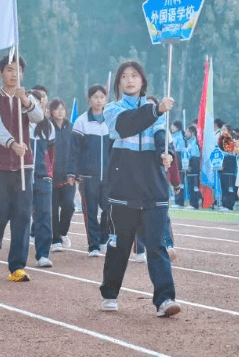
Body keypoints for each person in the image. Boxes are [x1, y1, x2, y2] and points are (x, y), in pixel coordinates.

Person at [99, 60, 180, 318]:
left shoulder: (156, 110)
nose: (130, 80)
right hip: (123, 188)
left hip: (153, 187)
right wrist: (155, 110)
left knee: (156, 246)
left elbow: (161, 135)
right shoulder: (112, 109)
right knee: (119, 246)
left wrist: (166, 154)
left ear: (142, 81)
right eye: (124, 76)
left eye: (134, 76)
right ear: (119, 83)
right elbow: (126, 126)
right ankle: (110, 294)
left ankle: (165, 299)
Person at [0, 54, 44, 282]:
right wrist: (12, 144)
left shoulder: (27, 99)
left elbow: (38, 117)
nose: (13, 74)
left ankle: (17, 266)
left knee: (22, 216)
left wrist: (26, 101)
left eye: (17, 70)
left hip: (23, 166)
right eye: (9, 69)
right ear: (1, 73)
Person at [69, 85, 112, 257]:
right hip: (88, 176)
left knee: (109, 210)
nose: (99, 100)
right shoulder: (81, 122)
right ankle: (93, 245)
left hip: (109, 176)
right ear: (89, 99)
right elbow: (74, 150)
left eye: (102, 97)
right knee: (91, 211)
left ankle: (103, 239)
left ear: (106, 100)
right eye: (95, 97)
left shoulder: (111, 120)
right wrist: (72, 172)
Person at [28, 89, 55, 267]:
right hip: (20, 175)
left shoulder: (48, 126)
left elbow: (52, 153)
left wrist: (49, 173)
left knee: (44, 215)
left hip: (42, 177)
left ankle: (43, 254)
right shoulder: (18, 124)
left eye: (38, 103)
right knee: (19, 215)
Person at [49, 98, 74, 252]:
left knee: (69, 206)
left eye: (62, 109)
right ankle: (55, 239)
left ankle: (63, 232)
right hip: (51, 176)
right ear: (51, 111)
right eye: (56, 109)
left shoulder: (72, 128)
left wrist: (74, 171)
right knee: (52, 210)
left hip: (68, 175)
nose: (60, 112)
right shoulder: (46, 127)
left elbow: (76, 151)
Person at [219, 124, 238, 212]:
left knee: (230, 186)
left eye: (224, 129)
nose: (222, 131)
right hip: (223, 165)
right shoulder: (222, 140)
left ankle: (229, 205)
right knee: (224, 186)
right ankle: (224, 204)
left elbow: (230, 153)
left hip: (230, 165)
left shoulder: (231, 140)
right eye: (221, 129)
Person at [171, 121, 186, 207]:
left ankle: (179, 201)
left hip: (178, 158)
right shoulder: (175, 136)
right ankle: (178, 201)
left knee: (178, 180)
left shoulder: (179, 137)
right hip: (176, 157)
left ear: (176, 127)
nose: (171, 128)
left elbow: (179, 149)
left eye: (172, 126)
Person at [185, 126, 201, 209]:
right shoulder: (190, 143)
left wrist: (190, 165)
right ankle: (192, 203)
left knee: (194, 186)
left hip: (193, 167)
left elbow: (195, 156)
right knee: (190, 185)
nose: (186, 133)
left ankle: (194, 204)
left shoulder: (194, 143)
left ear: (192, 133)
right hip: (189, 167)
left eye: (188, 131)